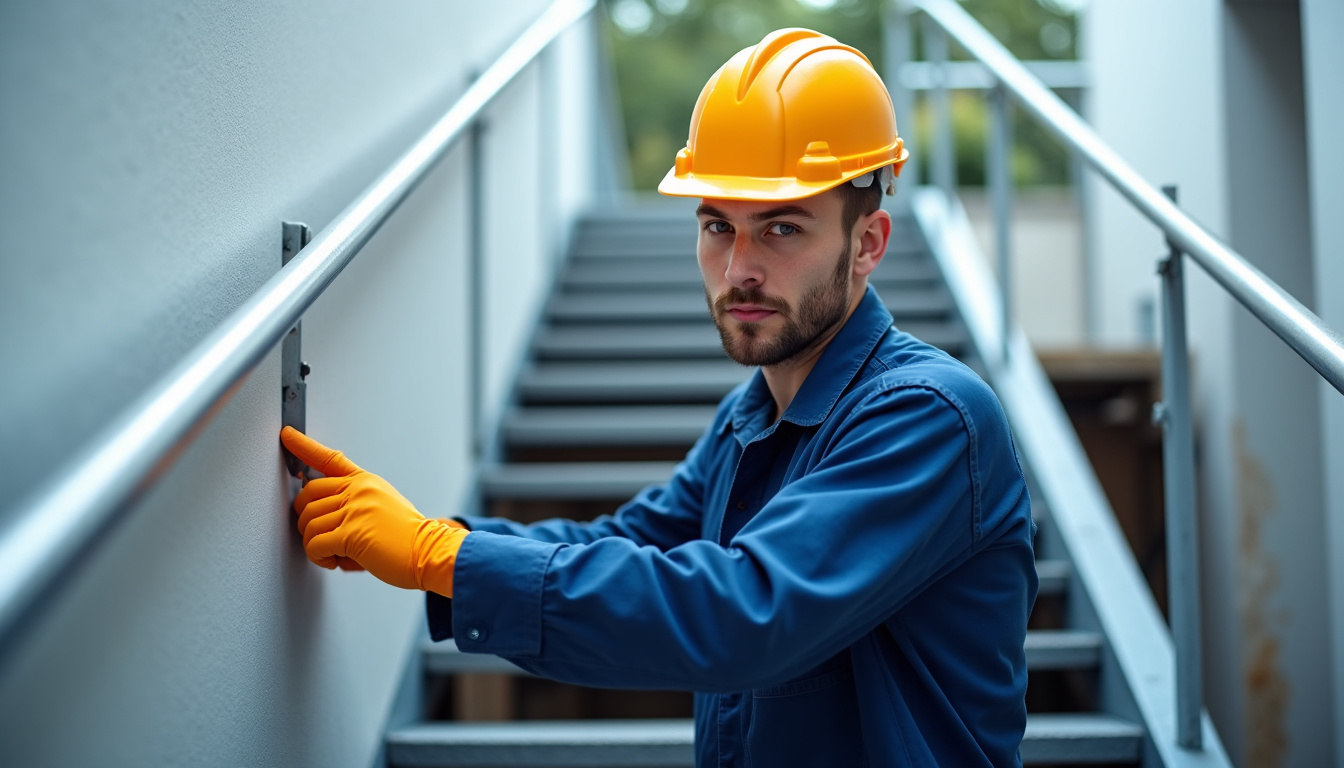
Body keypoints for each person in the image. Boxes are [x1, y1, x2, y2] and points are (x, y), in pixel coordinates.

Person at [281, 27, 1037, 767]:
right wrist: (432, 537)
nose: (739, 267)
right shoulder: (751, 418)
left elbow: (743, 613)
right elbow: (638, 546)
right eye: (717, 226)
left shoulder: (929, 415)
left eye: (780, 228)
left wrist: (443, 559)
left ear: (868, 243)